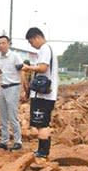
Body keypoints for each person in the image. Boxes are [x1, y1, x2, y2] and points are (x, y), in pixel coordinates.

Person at [21, 27, 59, 158]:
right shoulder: (47, 49)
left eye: (31, 42)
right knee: (42, 123)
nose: (32, 45)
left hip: (43, 96)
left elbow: (43, 68)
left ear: (36, 38)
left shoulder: (44, 49)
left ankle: (43, 152)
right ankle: (42, 150)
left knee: (42, 124)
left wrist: (28, 68)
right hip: (45, 96)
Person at [0, 35, 24, 150]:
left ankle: (18, 141)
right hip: (2, 87)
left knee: (12, 115)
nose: (1, 45)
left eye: (3, 43)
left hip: (13, 87)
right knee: (3, 115)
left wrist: (24, 88)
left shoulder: (15, 56)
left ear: (9, 44)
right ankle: (4, 141)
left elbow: (22, 71)